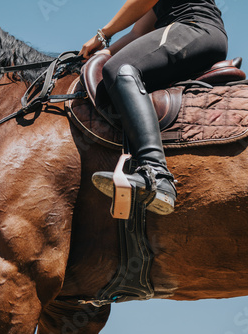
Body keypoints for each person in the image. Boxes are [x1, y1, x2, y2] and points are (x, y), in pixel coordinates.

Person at [79, 0, 228, 215]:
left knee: (121, 69)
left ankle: (157, 174)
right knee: (116, 65)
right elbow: (138, 32)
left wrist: (102, 34)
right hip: (187, 32)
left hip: (193, 27)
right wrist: (101, 54)